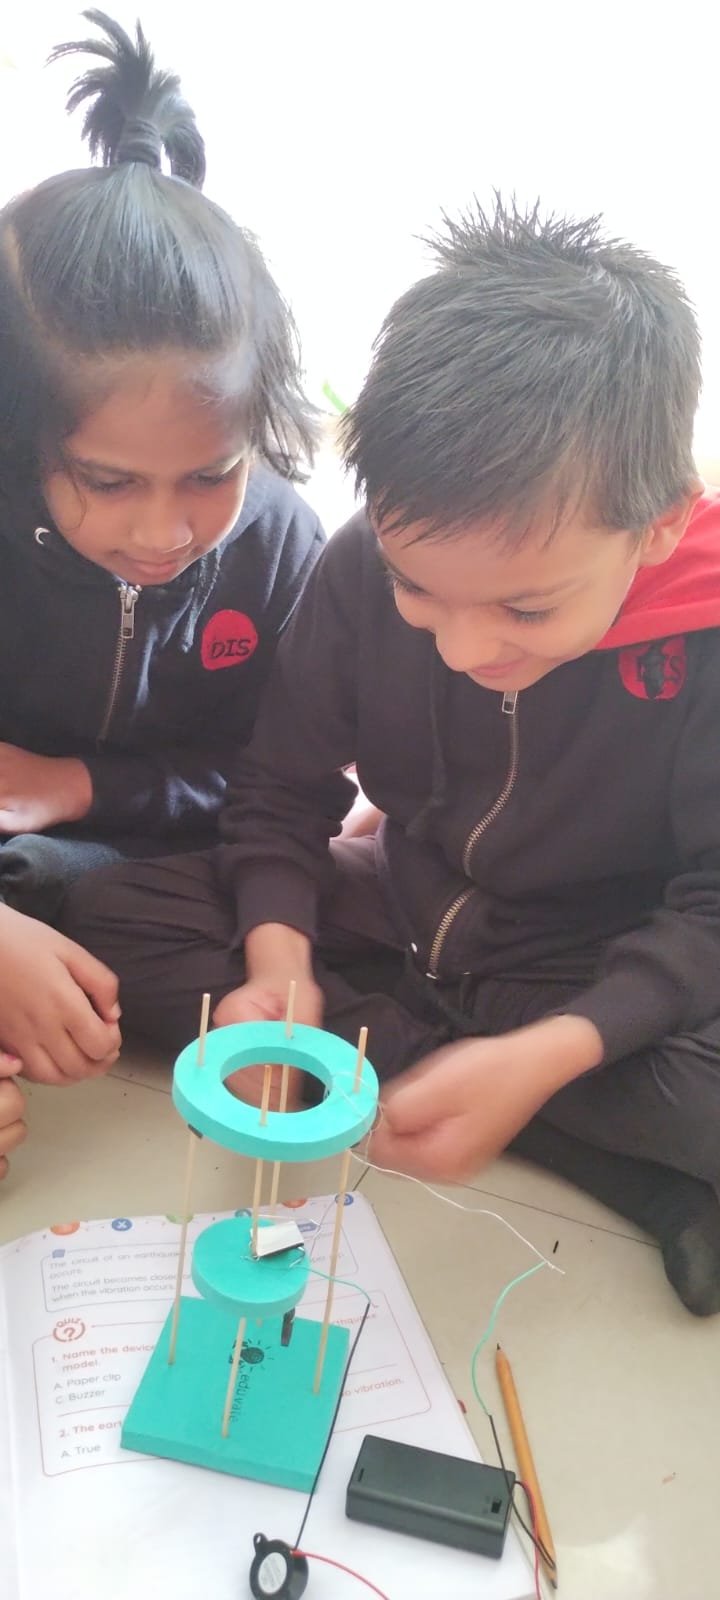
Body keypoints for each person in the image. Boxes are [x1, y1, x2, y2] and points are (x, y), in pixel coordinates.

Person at [65, 200, 720, 1317]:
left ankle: (431, 1074)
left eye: (525, 608)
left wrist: (554, 1049)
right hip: (400, 910)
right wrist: (279, 968)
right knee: (97, 912)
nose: (462, 647)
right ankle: (519, 1110)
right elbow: (281, 793)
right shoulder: (362, 562)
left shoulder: (700, 638)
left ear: (656, 527)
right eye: (421, 592)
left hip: (583, 961)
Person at [0, 9, 323, 1174]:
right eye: (106, 481)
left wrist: (80, 785)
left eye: (211, 474)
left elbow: (282, 784)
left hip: (152, 868)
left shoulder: (282, 545)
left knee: (302, 939)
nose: (163, 532)